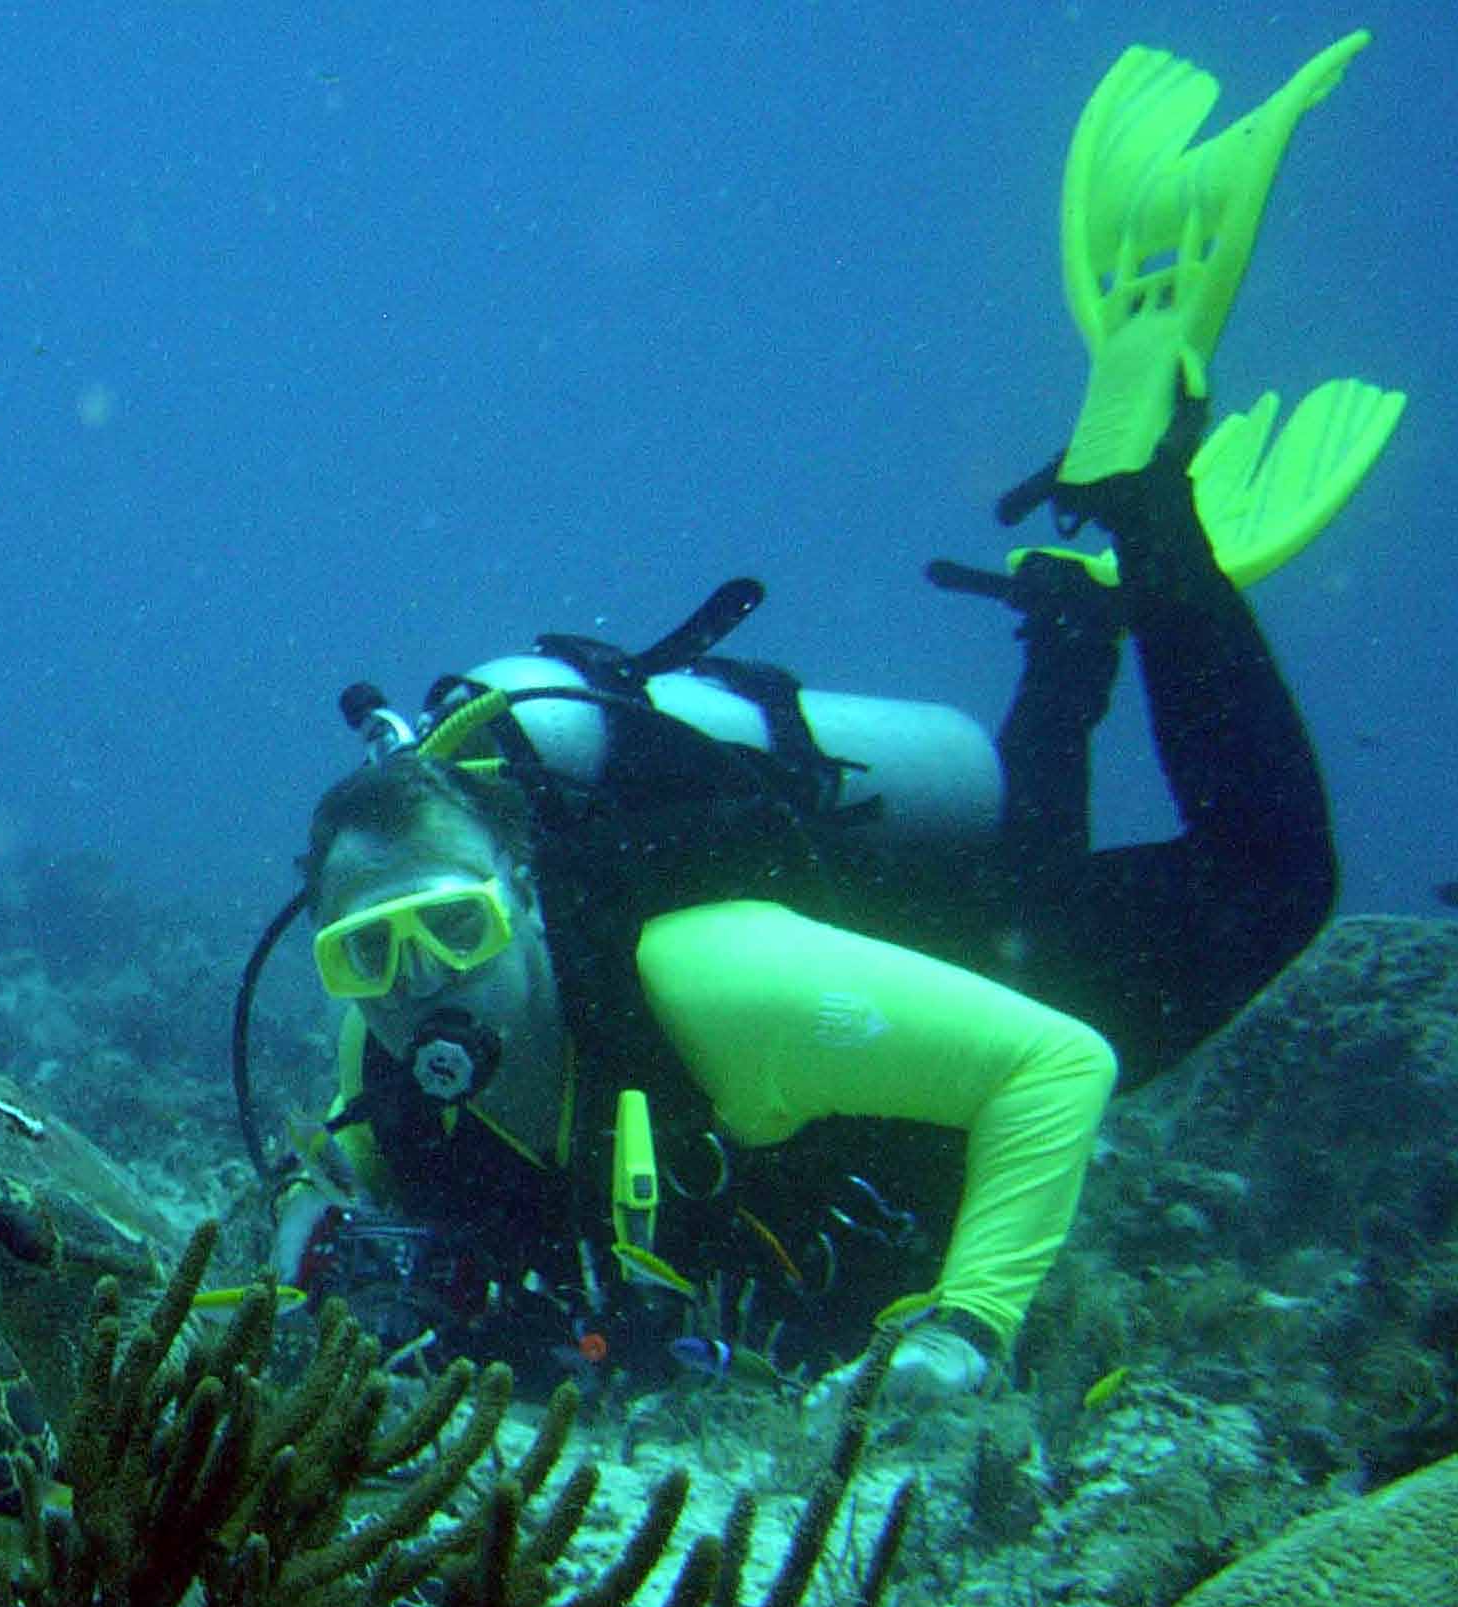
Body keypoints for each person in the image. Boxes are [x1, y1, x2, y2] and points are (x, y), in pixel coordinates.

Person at [248, 33, 1403, 1399]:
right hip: (877, 1065)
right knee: (1026, 845)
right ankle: (1077, 626)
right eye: (367, 957)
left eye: (455, 927)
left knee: (1272, 882)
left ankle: (1146, 497)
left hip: (914, 997)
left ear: (526, 894)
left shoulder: (714, 979)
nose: (416, 983)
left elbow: (1054, 1067)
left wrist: (965, 1328)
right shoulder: (380, 1060)